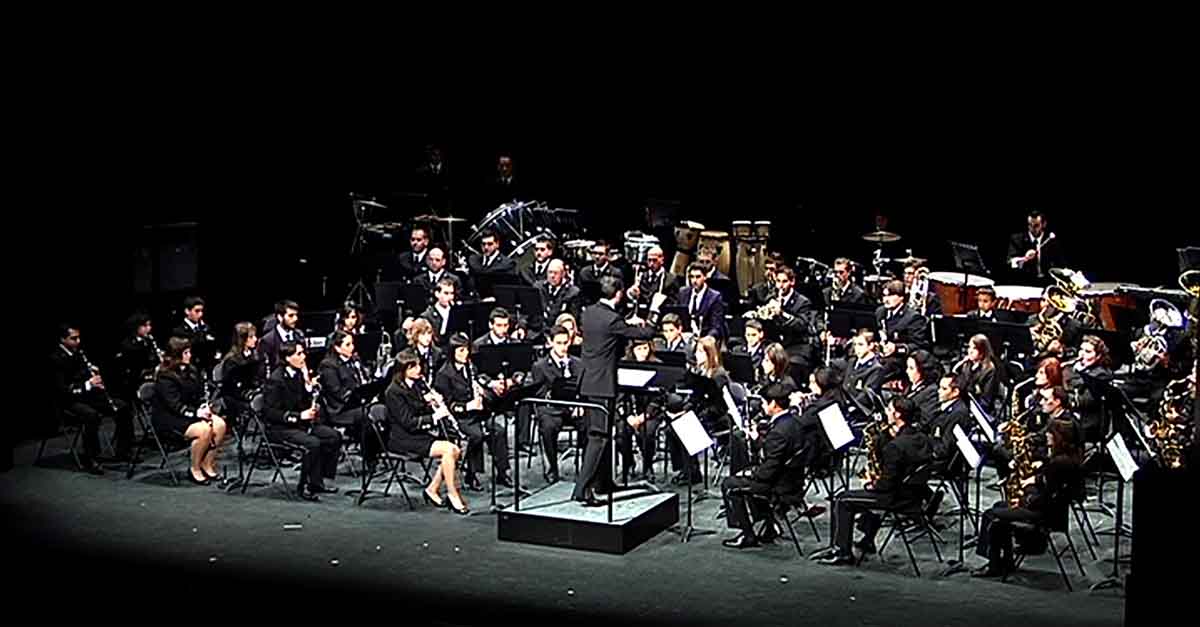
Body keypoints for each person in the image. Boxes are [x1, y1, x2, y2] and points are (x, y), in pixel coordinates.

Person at [814, 396, 934, 565]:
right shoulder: (922, 438)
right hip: (915, 495)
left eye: (889, 410)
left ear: (898, 415)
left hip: (895, 498)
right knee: (856, 497)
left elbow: (885, 486)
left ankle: (842, 551)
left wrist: (871, 483)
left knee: (842, 499)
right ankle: (867, 540)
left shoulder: (895, 447)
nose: (886, 412)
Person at [573, 276, 657, 505]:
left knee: (601, 434)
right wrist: (655, 309)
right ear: (618, 294)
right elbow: (646, 334)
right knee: (598, 437)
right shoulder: (612, 320)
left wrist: (629, 310)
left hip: (588, 381)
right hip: (602, 385)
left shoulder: (588, 312)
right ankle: (583, 490)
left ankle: (604, 482)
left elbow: (614, 327)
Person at [972, 420, 1083, 577]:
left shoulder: (1058, 464)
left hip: (1045, 516)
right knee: (1000, 506)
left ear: (1058, 437)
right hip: (1055, 513)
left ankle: (994, 565)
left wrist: (1024, 500)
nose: (1047, 436)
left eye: (1050, 433)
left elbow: (1046, 499)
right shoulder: (1068, 458)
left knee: (991, 514)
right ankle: (1005, 562)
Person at [719, 383, 810, 549]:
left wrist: (749, 474)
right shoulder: (795, 421)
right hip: (794, 480)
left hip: (780, 486)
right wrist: (757, 441)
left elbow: (767, 472)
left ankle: (747, 534)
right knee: (747, 478)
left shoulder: (778, 432)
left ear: (774, 404)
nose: (761, 406)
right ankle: (768, 525)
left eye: (763, 402)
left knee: (730, 484)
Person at [384, 349, 469, 515]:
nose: (418, 370)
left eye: (418, 366)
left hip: (417, 435)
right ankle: (453, 495)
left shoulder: (416, 384)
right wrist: (435, 417)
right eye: (412, 367)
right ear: (403, 370)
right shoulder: (393, 392)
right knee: (450, 450)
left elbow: (417, 408)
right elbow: (408, 422)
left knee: (455, 450)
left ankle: (432, 489)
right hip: (403, 439)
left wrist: (430, 402)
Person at [262, 341, 342, 501]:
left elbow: (302, 401)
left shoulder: (299, 374)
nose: (303, 357)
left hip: (299, 424)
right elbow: (270, 412)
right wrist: (299, 416)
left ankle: (318, 480)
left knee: (333, 437)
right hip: (280, 428)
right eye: (299, 354)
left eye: (303, 353)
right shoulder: (275, 380)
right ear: (287, 358)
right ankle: (304, 485)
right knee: (312, 443)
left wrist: (308, 388)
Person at [50, 324, 135, 472]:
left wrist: (93, 374)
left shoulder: (78, 353)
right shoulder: (56, 359)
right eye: (73, 338)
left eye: (78, 337)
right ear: (62, 339)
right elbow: (62, 390)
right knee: (91, 416)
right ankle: (91, 458)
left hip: (87, 395)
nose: (78, 341)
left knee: (123, 407)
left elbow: (85, 374)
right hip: (69, 400)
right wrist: (89, 383)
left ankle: (123, 450)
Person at [434, 333, 513, 490]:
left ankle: (503, 472)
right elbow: (448, 405)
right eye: (461, 351)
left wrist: (481, 391)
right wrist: (469, 405)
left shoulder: (470, 367)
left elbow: (475, 383)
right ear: (452, 352)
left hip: (476, 413)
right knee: (476, 435)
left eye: (467, 350)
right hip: (458, 417)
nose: (466, 354)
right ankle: (472, 474)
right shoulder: (443, 374)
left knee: (498, 430)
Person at [151, 337, 228, 484]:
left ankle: (207, 463)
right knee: (204, 430)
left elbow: (198, 394)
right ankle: (195, 468)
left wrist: (204, 405)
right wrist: (196, 413)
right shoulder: (165, 376)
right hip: (170, 418)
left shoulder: (191, 370)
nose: (189, 356)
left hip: (191, 412)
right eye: (185, 353)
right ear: (175, 355)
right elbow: (174, 406)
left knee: (220, 424)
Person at [525, 325, 582, 484]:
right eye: (559, 343)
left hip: (573, 409)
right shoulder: (540, 366)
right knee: (548, 426)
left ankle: (586, 469)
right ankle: (552, 468)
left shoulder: (578, 363)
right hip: (552, 409)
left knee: (591, 422)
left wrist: (580, 405)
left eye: (566, 342)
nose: (563, 347)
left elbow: (583, 389)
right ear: (550, 342)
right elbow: (538, 393)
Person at [617, 337, 666, 481]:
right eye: (639, 349)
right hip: (628, 410)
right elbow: (619, 395)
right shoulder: (624, 364)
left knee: (647, 432)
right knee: (621, 432)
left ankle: (648, 466)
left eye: (645, 348)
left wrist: (644, 416)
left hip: (651, 412)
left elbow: (659, 397)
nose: (643, 353)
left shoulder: (657, 365)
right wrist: (628, 416)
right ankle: (628, 464)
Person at [875, 280, 931, 383]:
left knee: (878, 371)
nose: (886, 299)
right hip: (881, 354)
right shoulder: (880, 312)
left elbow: (919, 345)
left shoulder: (913, 317)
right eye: (884, 296)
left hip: (900, 359)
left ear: (901, 297)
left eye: (891, 296)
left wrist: (896, 348)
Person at [1064, 335, 1115, 443]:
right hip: (1073, 415)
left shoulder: (1102, 374)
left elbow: (1083, 401)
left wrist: (1065, 387)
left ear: (1098, 356)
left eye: (1087, 351)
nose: (1082, 354)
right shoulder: (1074, 367)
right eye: (1081, 349)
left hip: (1088, 422)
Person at [317, 330, 369, 433]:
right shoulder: (328, 365)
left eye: (352, 343)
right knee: (369, 413)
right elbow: (338, 393)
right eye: (348, 345)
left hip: (358, 402)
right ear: (337, 348)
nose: (352, 347)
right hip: (341, 409)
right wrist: (359, 398)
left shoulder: (354, 359)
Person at [216, 322, 263, 425]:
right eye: (251, 337)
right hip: (234, 396)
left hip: (250, 389)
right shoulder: (232, 360)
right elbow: (229, 386)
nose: (255, 339)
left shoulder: (254, 355)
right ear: (242, 339)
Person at [1007, 209, 1065, 286]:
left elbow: (1060, 264)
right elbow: (1010, 261)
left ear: (1044, 224)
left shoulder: (1052, 241)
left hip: (1047, 282)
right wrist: (1024, 258)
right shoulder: (1017, 239)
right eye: (1030, 225)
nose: (1032, 228)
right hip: (1025, 282)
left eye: (1036, 225)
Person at [114, 312, 161, 401]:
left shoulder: (149, 340)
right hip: (136, 379)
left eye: (149, 325)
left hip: (150, 375)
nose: (149, 328)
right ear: (136, 327)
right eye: (145, 326)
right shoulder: (128, 345)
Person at [678, 262, 727, 342]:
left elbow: (716, 326)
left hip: (705, 337)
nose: (694, 280)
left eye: (698, 277)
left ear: (705, 277)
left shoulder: (714, 297)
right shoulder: (683, 293)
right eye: (692, 277)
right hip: (685, 337)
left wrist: (708, 338)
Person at [626, 245, 681, 314]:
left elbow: (674, 304)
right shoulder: (642, 277)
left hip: (660, 315)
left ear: (662, 260)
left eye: (654, 260)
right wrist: (632, 293)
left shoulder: (671, 279)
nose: (651, 264)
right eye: (649, 260)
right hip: (642, 315)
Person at [171, 296, 219, 374]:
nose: (200, 314)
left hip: (207, 368)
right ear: (187, 311)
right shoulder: (179, 331)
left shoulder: (205, 327)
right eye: (197, 311)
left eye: (201, 311)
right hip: (190, 369)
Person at [259, 300, 304, 376]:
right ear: (280, 317)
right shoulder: (268, 341)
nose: (295, 318)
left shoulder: (299, 336)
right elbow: (265, 370)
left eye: (296, 315)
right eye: (291, 315)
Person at [536, 259, 582, 335]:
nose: (552, 276)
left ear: (563, 274)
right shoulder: (538, 288)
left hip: (560, 333)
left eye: (555, 273)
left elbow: (573, 318)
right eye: (550, 272)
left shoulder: (573, 292)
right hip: (538, 331)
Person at [954, 334, 1000, 409]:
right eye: (969, 347)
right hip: (963, 403)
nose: (970, 351)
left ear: (983, 351)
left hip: (978, 406)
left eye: (974, 348)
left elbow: (986, 400)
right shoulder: (967, 364)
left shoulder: (990, 370)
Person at [467, 230, 517, 297]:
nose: (486, 247)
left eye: (490, 244)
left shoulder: (507, 263)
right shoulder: (474, 260)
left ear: (497, 244)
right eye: (483, 244)